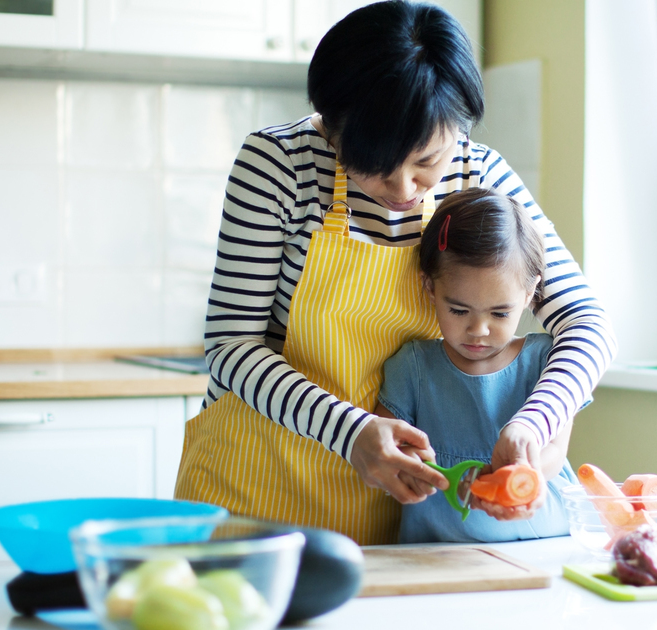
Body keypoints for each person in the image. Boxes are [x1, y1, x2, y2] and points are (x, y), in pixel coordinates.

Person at [173, 0, 616, 546]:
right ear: (334, 132)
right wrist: (353, 431)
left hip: (403, 509)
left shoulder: (478, 171)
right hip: (258, 487)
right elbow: (230, 345)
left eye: (426, 161)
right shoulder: (277, 164)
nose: (405, 190)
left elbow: (588, 324)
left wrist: (535, 422)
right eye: (376, 167)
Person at [376, 188, 582, 543]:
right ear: (429, 286)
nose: (478, 330)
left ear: (530, 293)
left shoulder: (546, 359)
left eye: (500, 313)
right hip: (438, 553)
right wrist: (420, 468)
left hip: (546, 543)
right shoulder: (412, 367)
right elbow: (391, 446)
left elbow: (554, 451)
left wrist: (521, 477)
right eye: (459, 310)